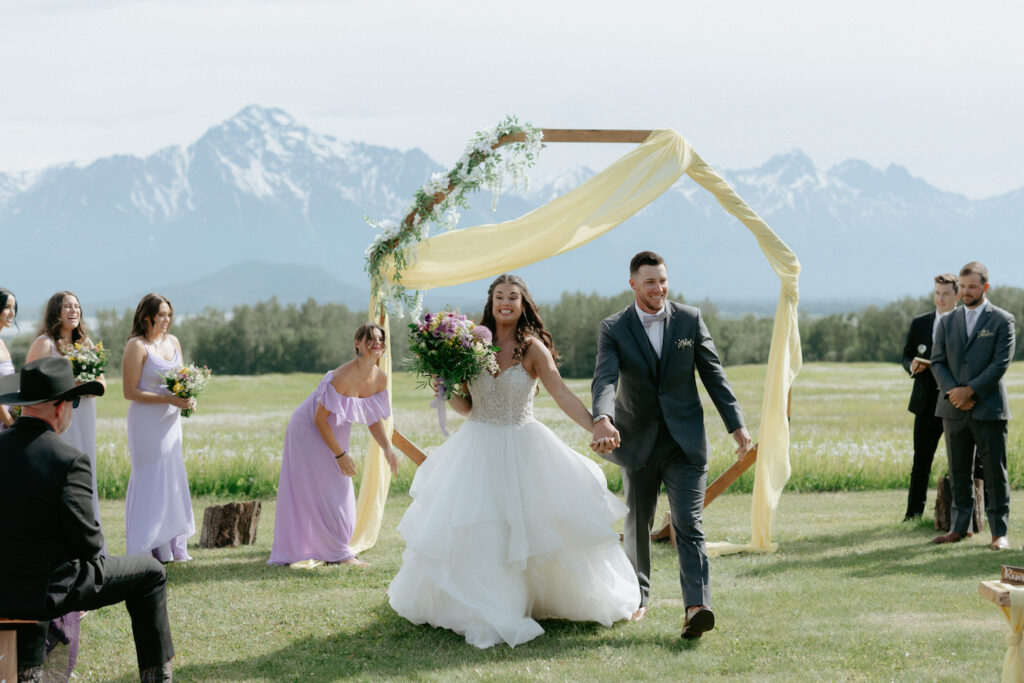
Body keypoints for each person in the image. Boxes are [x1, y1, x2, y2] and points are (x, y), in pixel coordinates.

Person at [388, 274, 640, 649]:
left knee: (529, 528)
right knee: (481, 528)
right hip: (477, 447)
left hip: (524, 445)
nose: (505, 303)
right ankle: (482, 603)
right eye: (499, 297)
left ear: (523, 305)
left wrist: (597, 424)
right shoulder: (469, 343)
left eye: (513, 297)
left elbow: (561, 394)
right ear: (490, 303)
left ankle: (528, 600)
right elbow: (467, 407)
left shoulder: (531, 348)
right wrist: (446, 383)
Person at [591, 251, 751, 639]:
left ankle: (697, 607)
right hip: (637, 441)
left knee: (689, 523)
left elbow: (714, 375)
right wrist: (602, 418)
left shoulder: (690, 319)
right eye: (650, 282)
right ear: (633, 284)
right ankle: (637, 597)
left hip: (685, 442)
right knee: (637, 523)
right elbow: (605, 379)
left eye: (663, 280)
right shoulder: (613, 328)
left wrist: (737, 426)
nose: (659, 288)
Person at [0, 357, 174, 682]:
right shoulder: (68, 461)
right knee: (152, 573)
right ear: (60, 406)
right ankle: (157, 677)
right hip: (46, 589)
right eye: (75, 401)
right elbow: (89, 545)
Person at [268, 323, 399, 566]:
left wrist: (388, 449)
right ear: (357, 343)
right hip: (308, 430)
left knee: (337, 492)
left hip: (333, 433)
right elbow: (319, 419)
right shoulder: (341, 377)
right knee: (328, 491)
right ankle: (340, 554)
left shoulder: (380, 379)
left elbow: (373, 419)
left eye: (380, 339)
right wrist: (340, 455)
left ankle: (334, 550)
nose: (376, 343)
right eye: (369, 339)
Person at [930, 261, 1016, 550]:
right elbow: (938, 361)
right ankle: (958, 527)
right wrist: (954, 392)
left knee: (995, 473)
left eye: (972, 287)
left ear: (985, 288)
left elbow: (1000, 364)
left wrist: (971, 392)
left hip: (988, 408)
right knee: (958, 472)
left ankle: (998, 533)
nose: (966, 292)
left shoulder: (1002, 320)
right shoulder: (947, 321)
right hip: (953, 408)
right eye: (963, 287)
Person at [122, 293, 196, 562]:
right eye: (161, 315)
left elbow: (182, 380)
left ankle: (172, 545)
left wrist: (188, 399)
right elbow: (129, 391)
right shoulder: (136, 346)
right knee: (150, 478)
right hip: (145, 422)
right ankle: (149, 545)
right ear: (146, 317)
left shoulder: (173, 342)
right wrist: (169, 399)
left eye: (169, 315)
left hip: (171, 421)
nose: (166, 320)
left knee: (170, 477)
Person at [26, 291, 106, 536]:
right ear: (56, 312)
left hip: (83, 416)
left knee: (84, 469)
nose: (74, 311)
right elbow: (29, 384)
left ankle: (88, 535)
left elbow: (102, 382)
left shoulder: (87, 344)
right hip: (56, 418)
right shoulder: (45, 344)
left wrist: (88, 388)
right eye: (67, 307)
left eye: (77, 306)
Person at [901, 274, 959, 520]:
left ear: (956, 295)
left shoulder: (964, 323)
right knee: (921, 461)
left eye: (945, 293)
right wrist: (912, 365)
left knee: (961, 462)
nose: (940, 299)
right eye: (937, 293)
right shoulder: (920, 323)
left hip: (955, 403)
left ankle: (962, 515)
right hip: (925, 403)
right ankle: (913, 515)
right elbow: (906, 355)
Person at [0, 287, 17, 429]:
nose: (12, 313)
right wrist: (12, 426)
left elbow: (9, 384)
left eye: (14, 308)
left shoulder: (2, 344)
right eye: (7, 307)